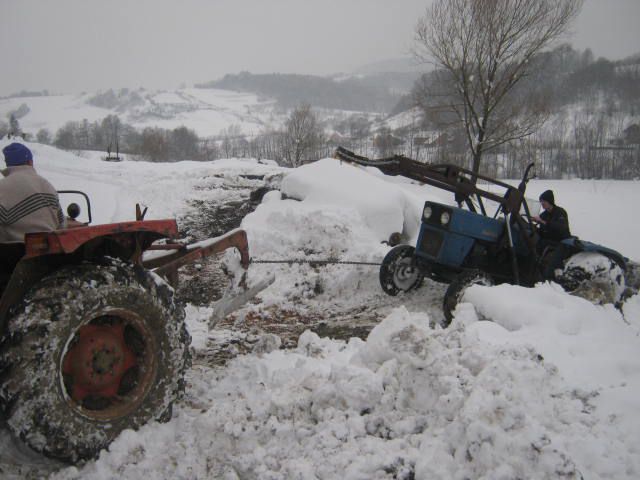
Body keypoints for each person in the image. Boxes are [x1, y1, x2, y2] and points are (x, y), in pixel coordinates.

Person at [0, 143, 65, 244]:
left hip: (14, 254)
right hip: (50, 252)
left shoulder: (2, 188)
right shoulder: (47, 185)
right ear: (30, 162)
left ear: (8, 164)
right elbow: (62, 224)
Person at [532, 189, 571, 279]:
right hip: (547, 240)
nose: (542, 204)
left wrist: (543, 222)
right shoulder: (544, 214)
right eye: (541, 202)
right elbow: (540, 225)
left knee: (541, 245)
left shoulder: (560, 212)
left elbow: (560, 228)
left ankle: (544, 275)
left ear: (549, 201)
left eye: (543, 202)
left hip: (560, 242)